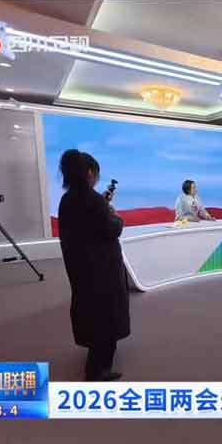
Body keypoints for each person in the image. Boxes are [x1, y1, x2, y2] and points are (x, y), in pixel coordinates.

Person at [57, 149, 130, 382]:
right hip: (103, 268)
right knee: (107, 316)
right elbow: (111, 228)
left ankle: (94, 359)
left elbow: (86, 226)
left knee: (90, 311)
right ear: (89, 172)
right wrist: (116, 217)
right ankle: (98, 370)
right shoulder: (94, 200)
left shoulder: (67, 199)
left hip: (80, 268)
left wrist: (104, 209)